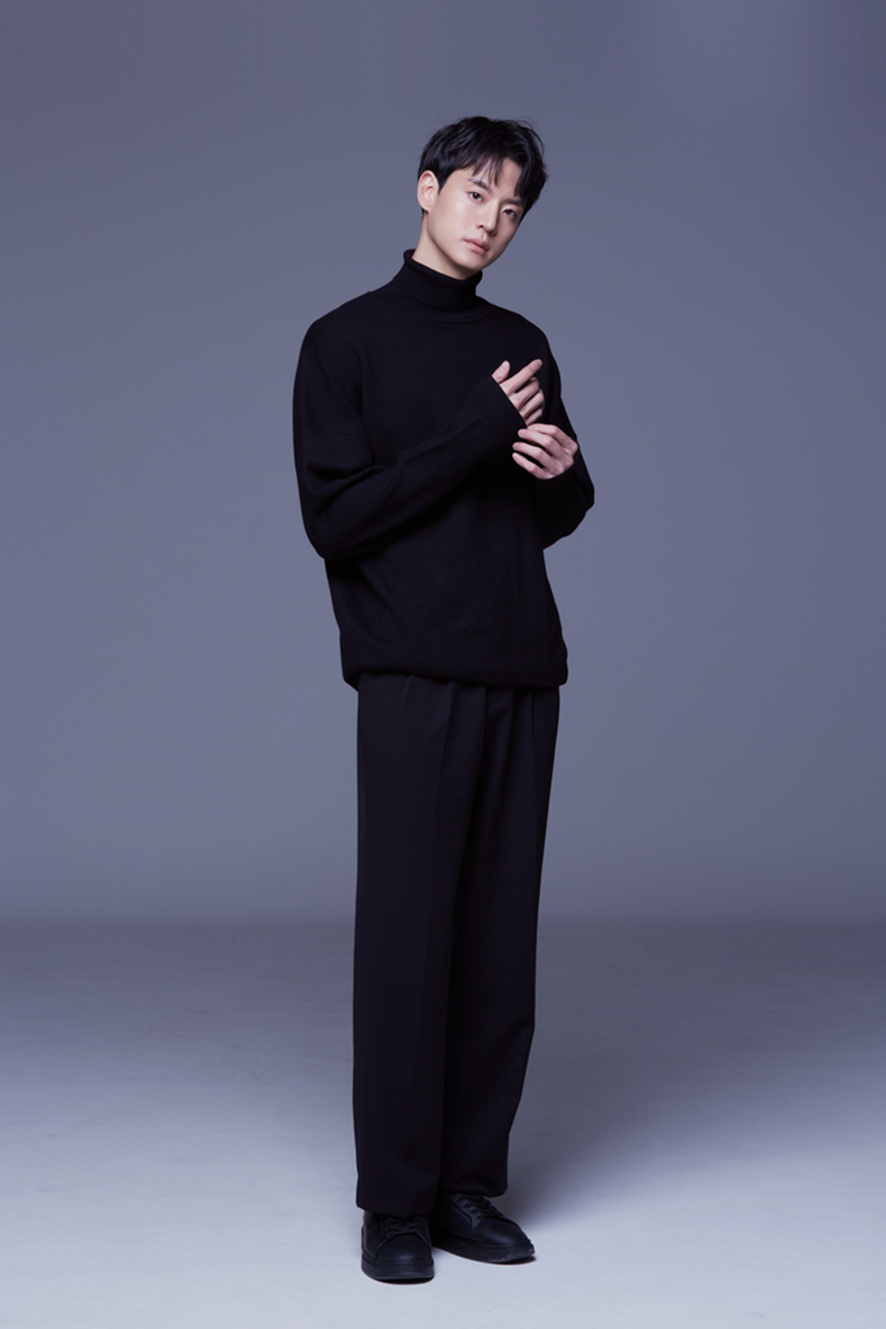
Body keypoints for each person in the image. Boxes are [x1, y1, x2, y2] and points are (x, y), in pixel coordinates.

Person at [292, 116, 594, 1282]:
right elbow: (338, 519)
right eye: (476, 195)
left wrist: (563, 476)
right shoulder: (344, 342)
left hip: (520, 660)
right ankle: (395, 1203)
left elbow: (542, 513)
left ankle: (468, 1185)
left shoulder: (521, 343)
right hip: (410, 669)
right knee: (409, 939)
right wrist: (476, 432)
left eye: (512, 210)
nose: (491, 222)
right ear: (426, 189)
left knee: (496, 944)